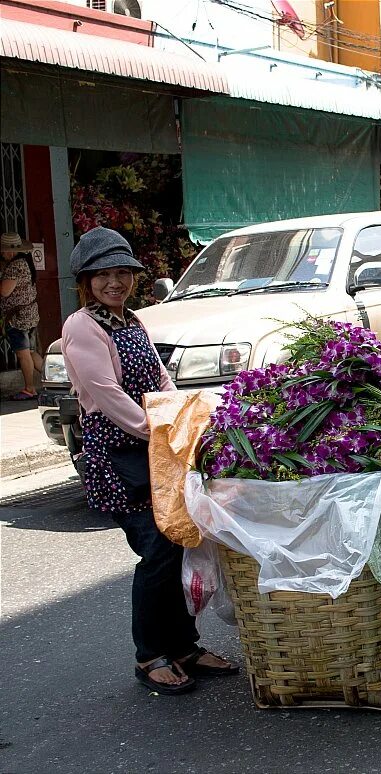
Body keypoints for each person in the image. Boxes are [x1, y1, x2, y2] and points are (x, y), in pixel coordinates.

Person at [61, 227, 238, 696]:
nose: (115, 282)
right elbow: (106, 394)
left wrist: (186, 418)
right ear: (86, 279)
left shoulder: (131, 321)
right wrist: (161, 431)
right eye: (104, 275)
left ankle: (183, 646)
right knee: (157, 550)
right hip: (119, 456)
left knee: (179, 540)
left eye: (123, 273)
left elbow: (160, 378)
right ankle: (149, 655)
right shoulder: (83, 325)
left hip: (154, 447)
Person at [1, 232, 44, 400]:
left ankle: (29, 388)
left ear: (10, 251)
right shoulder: (26, 261)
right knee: (32, 352)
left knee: (23, 353)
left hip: (18, 318)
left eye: (3, 251)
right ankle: (62, 379)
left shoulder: (15, 266)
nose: (2, 254)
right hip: (30, 314)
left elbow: (5, 291)